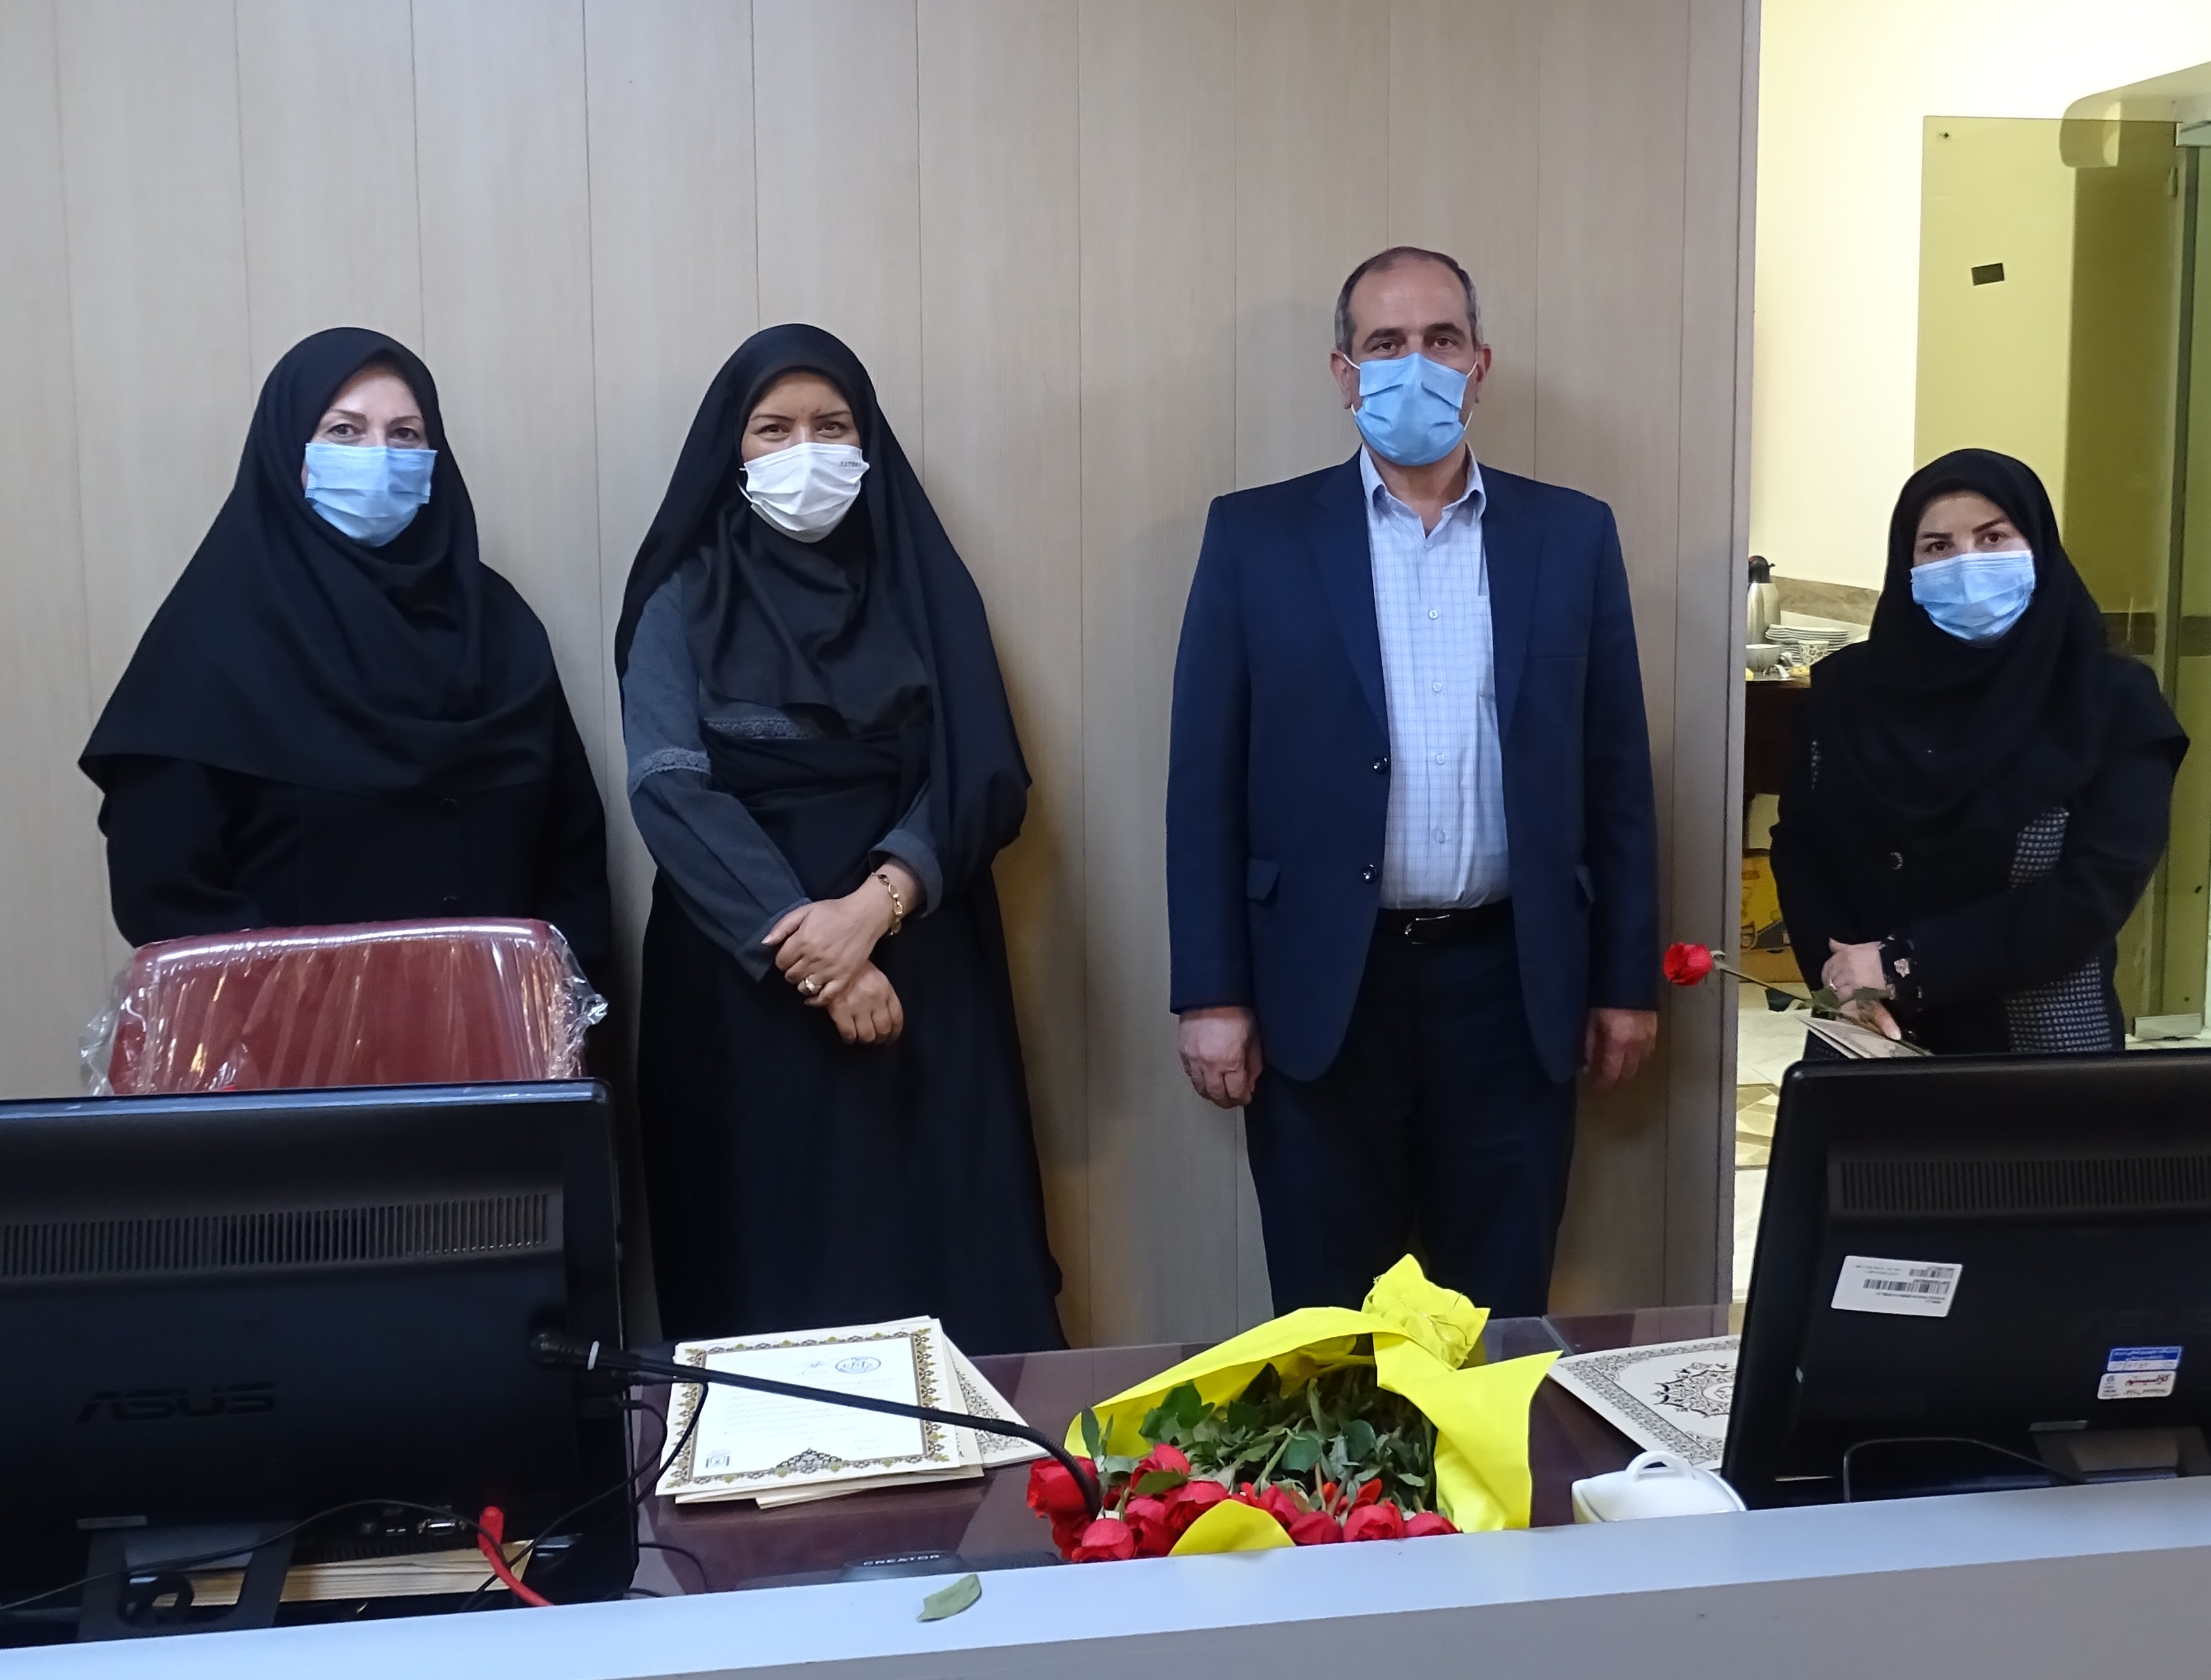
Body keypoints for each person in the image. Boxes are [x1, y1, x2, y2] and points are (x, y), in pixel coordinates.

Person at [1166, 247, 1660, 1319]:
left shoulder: (1570, 535)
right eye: (1385, 343)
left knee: (1496, 1311)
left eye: (1440, 339)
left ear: (1479, 364)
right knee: (1327, 1320)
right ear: (1343, 372)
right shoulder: (1254, 538)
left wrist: (1624, 983)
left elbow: (1616, 774)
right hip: (1322, 992)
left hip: (1510, 985)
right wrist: (1212, 994)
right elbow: (1202, 784)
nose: (1414, 364)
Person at [616, 323, 1064, 1354]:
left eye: (831, 426)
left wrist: (874, 907)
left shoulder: (919, 585)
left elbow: (982, 768)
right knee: (770, 1280)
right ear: (730, 450)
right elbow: (669, 786)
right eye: (772, 429)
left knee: (947, 1270)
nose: (804, 451)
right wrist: (811, 949)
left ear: (868, 442)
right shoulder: (681, 592)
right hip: (743, 990)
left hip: (922, 976)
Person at [81, 328, 611, 982]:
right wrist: (308, 1013)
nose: (379, 457)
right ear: (286, 451)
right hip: (284, 1033)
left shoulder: (498, 624)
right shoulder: (210, 636)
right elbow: (164, 883)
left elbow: (571, 848)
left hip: (497, 1024)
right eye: (343, 431)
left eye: (406, 434)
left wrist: (554, 997)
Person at [1769, 449, 2186, 1052]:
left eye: (1993, 538)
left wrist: (1904, 963)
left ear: (2038, 546)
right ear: (1906, 563)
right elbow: (1801, 848)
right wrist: (1842, 979)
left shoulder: (2111, 703)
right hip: (1869, 1034)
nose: (1966, 563)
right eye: (1937, 546)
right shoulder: (1846, 693)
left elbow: (2093, 894)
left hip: (2039, 1047)